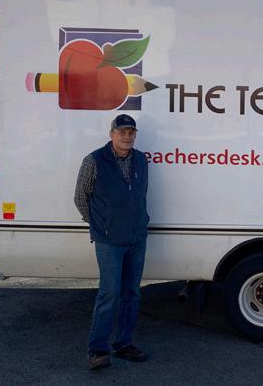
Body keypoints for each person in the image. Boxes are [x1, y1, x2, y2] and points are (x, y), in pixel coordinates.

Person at [74, 114, 149, 370]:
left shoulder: (141, 160)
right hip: (109, 240)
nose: (127, 136)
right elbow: (80, 197)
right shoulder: (94, 160)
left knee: (132, 292)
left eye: (131, 132)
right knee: (109, 293)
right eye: (122, 132)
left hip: (136, 237)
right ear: (111, 134)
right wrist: (99, 224)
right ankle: (98, 349)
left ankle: (124, 343)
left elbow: (141, 194)